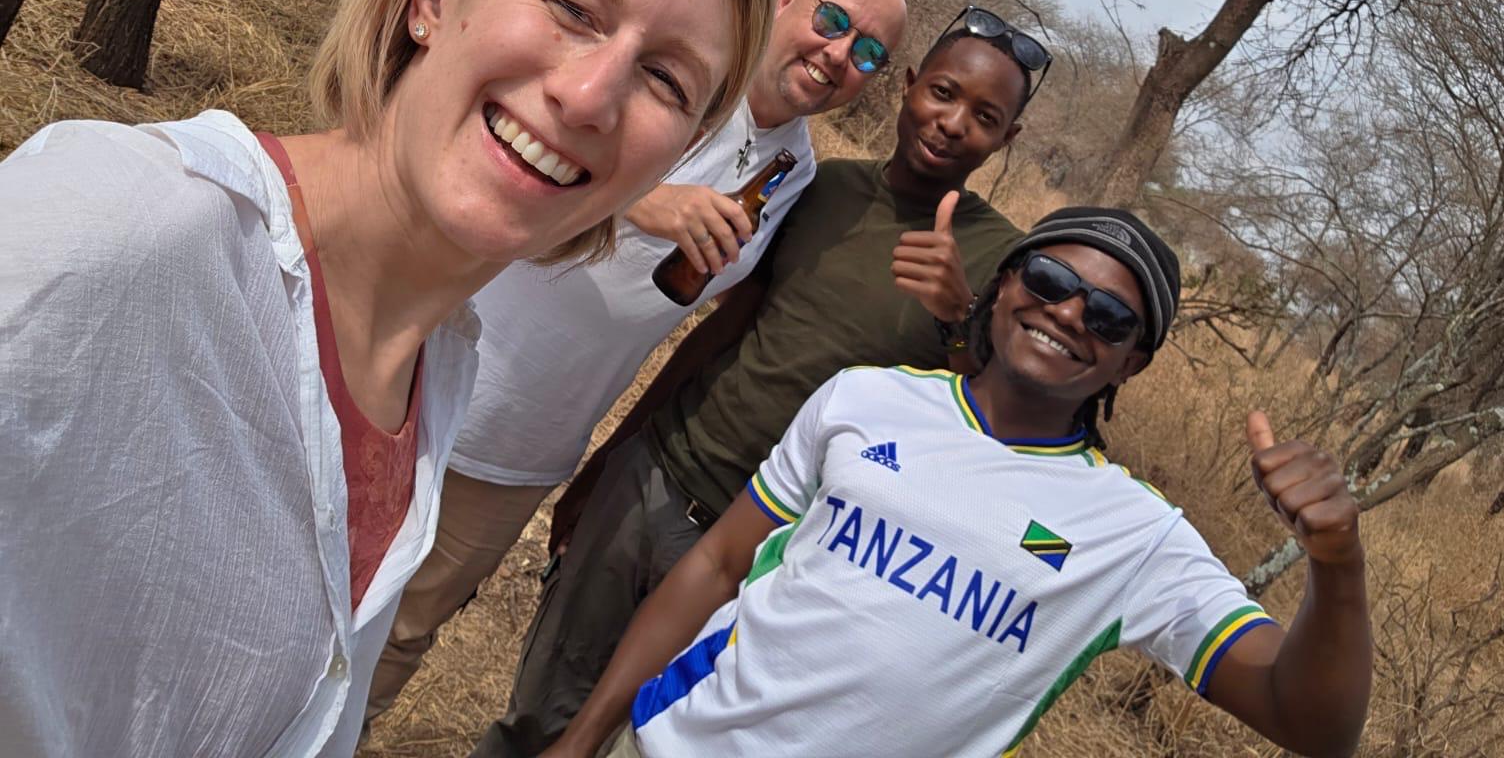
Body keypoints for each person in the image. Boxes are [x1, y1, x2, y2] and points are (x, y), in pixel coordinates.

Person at [0, 0, 778, 758]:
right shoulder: (116, 226)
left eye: (665, 79)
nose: (589, 96)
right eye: (575, 10)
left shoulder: (436, 370)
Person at [546, 207, 1374, 758]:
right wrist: (585, 736)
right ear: (1004, 284)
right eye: (1050, 281)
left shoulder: (1136, 534)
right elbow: (720, 565)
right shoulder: (865, 398)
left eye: (1110, 317)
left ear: (1134, 360)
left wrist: (1337, 566)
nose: (1068, 313)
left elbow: (1311, 722)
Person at [473, 7, 1052, 757]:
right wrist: (613, 460)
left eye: (985, 116)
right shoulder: (821, 188)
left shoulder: (1001, 262)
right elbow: (720, 335)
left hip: (773, 555)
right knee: (537, 719)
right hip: (658, 478)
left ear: (1007, 140)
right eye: (942, 92)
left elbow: (991, 427)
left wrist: (956, 317)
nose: (951, 123)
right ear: (908, 86)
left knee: (650, 742)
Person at [363, 0, 908, 721]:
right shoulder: (674, 73)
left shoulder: (795, 173)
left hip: (523, 445)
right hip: (416, 366)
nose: (838, 55)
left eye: (870, 53)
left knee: (399, 637)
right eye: (832, 20)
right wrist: (642, 199)